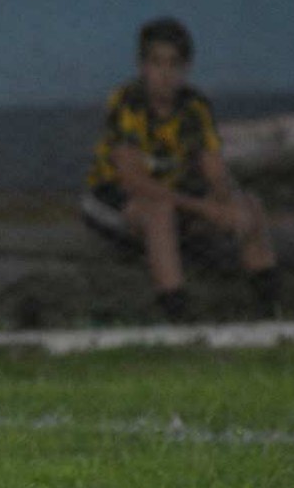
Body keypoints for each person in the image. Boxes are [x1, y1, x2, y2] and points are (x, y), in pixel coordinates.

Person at [80, 17, 280, 321]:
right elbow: (133, 180)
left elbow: (214, 171)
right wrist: (202, 208)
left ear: (185, 68)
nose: (165, 74)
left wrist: (225, 203)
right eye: (156, 63)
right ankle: (179, 319)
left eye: (174, 64)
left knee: (249, 206)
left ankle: (269, 312)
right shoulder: (128, 103)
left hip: (175, 198)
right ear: (142, 66)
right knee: (158, 213)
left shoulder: (194, 108)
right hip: (114, 199)